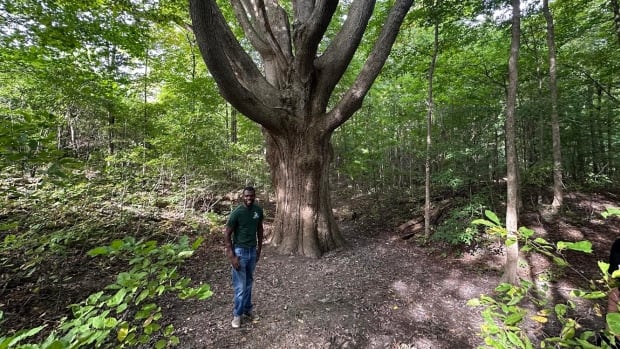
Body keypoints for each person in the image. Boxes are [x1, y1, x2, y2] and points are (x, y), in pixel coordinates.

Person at [224, 186, 264, 328]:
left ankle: (247, 310)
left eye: (251, 196)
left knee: (248, 283)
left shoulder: (258, 211)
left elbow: (260, 228)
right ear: (243, 197)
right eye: (247, 196)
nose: (249, 198)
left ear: (254, 196)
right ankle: (237, 315)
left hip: (252, 251)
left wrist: (259, 248)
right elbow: (227, 233)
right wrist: (232, 256)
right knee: (240, 286)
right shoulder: (237, 212)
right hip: (240, 252)